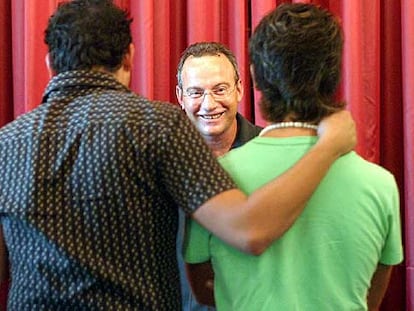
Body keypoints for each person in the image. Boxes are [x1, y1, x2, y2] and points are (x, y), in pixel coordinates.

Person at [0, 1, 356, 310]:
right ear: (129, 56)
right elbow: (250, 230)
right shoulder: (159, 126)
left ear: (48, 63)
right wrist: (328, 146)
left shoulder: (6, 144)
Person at [184, 3, 403, 311]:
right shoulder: (382, 185)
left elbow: (205, 290)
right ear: (334, 76)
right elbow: (370, 296)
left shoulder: (212, 179)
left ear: (252, 79)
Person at [175, 41, 261, 311]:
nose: (209, 104)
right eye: (196, 92)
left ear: (239, 89)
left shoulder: (270, 151)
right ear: (180, 97)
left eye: (220, 89)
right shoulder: (159, 160)